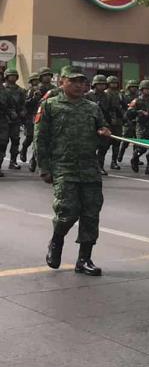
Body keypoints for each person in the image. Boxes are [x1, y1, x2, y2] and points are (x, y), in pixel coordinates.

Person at [37, 65, 111, 277]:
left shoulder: (92, 108)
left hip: (89, 167)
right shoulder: (50, 106)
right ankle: (57, 240)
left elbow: (102, 135)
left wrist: (104, 134)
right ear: (62, 83)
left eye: (82, 82)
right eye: (74, 81)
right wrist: (44, 167)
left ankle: (84, 259)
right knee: (67, 212)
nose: (79, 85)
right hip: (63, 166)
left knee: (91, 213)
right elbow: (40, 138)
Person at [85, 75, 114, 176]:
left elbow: (111, 110)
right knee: (90, 147)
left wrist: (111, 122)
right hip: (91, 124)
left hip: (103, 123)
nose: (102, 86)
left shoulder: (107, 96)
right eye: (99, 84)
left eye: (103, 84)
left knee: (103, 147)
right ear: (95, 85)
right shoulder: (88, 96)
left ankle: (100, 166)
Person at [1, 67, 26, 169]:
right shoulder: (2, 89)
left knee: (15, 140)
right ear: (6, 77)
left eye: (15, 76)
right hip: (3, 119)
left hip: (15, 119)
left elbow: (23, 104)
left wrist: (23, 111)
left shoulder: (20, 90)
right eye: (11, 75)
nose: (13, 77)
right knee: (3, 142)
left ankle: (13, 161)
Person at [18, 73, 41, 168]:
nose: (35, 82)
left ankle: (33, 160)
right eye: (33, 81)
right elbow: (24, 103)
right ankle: (23, 149)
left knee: (38, 140)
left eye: (37, 80)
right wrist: (33, 98)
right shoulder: (28, 91)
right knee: (29, 137)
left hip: (42, 116)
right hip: (30, 116)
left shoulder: (45, 89)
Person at [104, 76, 125, 170]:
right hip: (108, 120)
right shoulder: (105, 94)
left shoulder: (119, 94)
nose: (114, 85)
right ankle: (99, 163)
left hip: (118, 121)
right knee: (105, 144)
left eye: (115, 83)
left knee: (117, 143)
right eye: (112, 83)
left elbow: (123, 105)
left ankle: (114, 161)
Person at [117, 80, 140, 163]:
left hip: (137, 121)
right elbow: (122, 108)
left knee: (137, 142)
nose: (134, 88)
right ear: (128, 87)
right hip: (128, 121)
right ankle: (120, 155)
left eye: (135, 87)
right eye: (132, 87)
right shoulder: (124, 97)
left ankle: (135, 158)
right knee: (125, 141)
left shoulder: (139, 97)